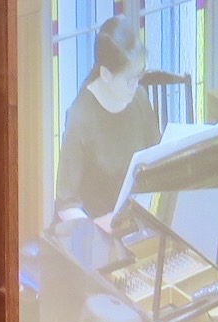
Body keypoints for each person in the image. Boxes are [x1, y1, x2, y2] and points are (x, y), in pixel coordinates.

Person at [54, 14, 161, 222]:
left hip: (136, 221)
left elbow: (155, 162)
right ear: (105, 75)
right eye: (130, 80)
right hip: (97, 230)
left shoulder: (138, 97)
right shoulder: (80, 118)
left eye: (140, 75)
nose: (136, 85)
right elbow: (66, 204)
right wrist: (99, 227)